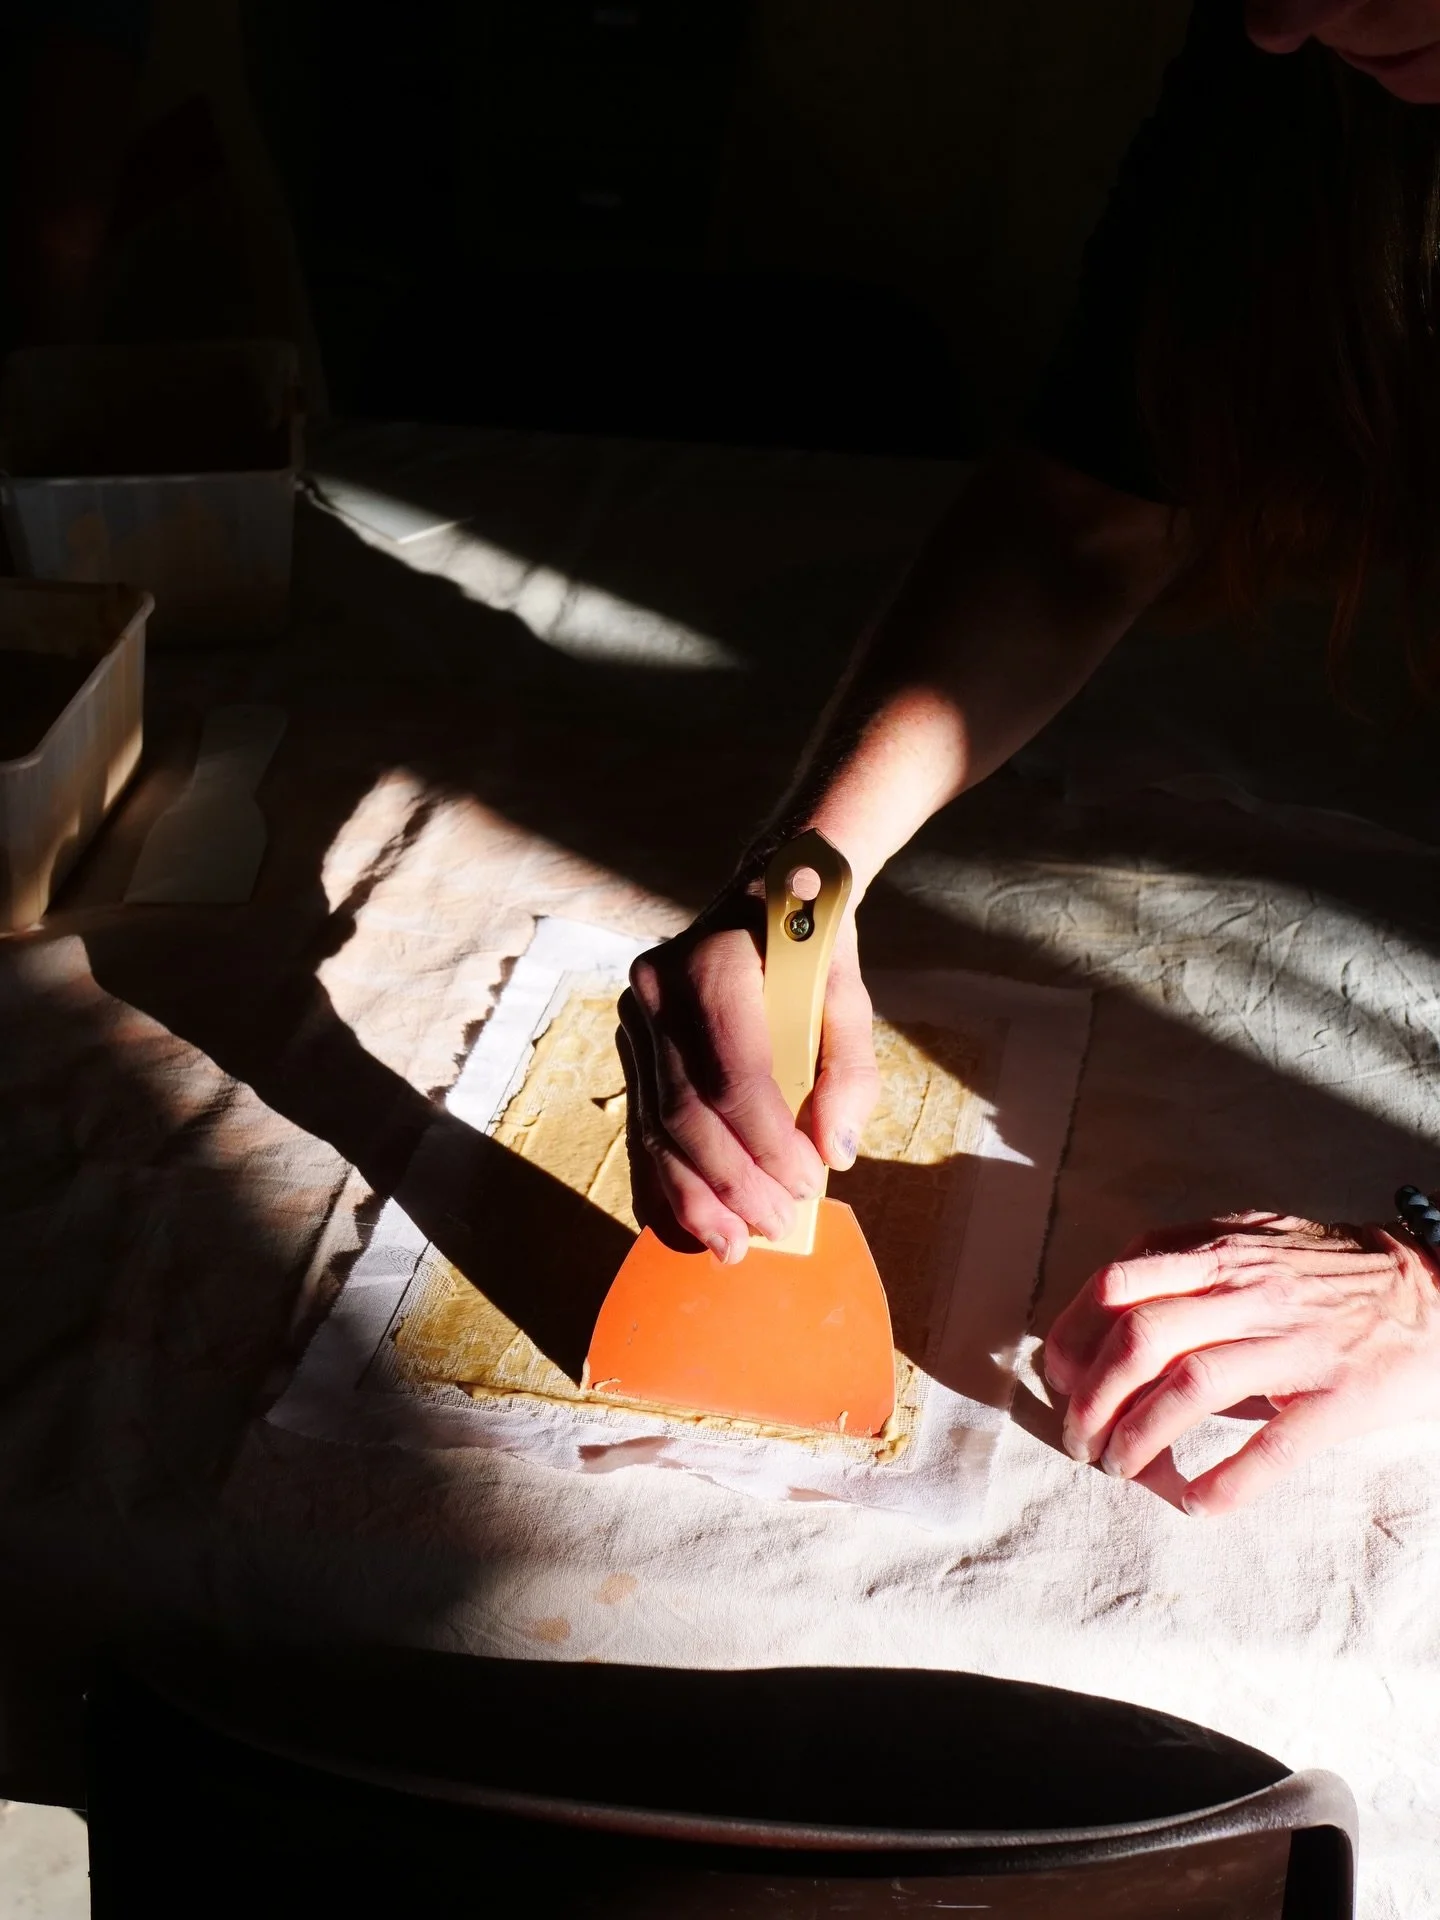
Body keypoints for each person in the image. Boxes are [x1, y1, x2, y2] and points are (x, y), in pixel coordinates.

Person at [618, 0, 1440, 1519]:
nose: (1276, 19)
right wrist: (802, 879)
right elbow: (1083, 522)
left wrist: (1431, 1291)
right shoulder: (1300, 62)